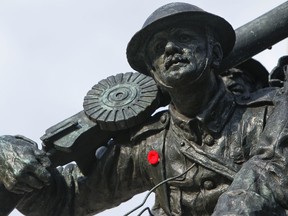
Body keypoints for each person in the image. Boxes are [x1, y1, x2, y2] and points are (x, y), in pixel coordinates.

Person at [0, 2, 287, 215]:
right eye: (158, 47)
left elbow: (271, 176)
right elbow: (62, 200)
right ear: (152, 71)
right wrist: (6, 153)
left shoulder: (270, 112)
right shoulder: (147, 145)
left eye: (184, 37)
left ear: (215, 51)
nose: (171, 49)